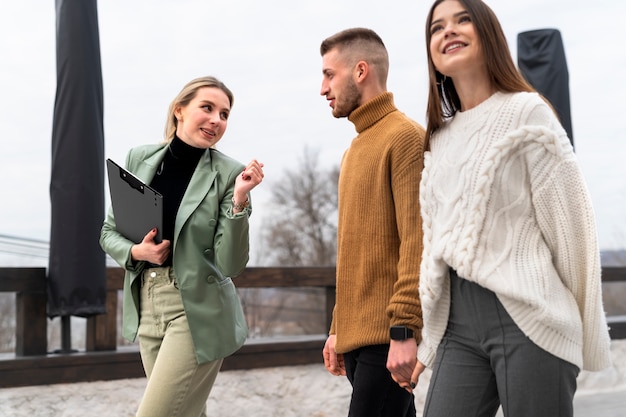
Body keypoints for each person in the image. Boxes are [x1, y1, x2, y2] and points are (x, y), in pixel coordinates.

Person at [410, 1, 613, 416]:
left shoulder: (527, 112)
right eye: (437, 27)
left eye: (463, 20)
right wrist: (429, 340)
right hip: (458, 327)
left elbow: (573, 232)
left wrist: (587, 337)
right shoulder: (438, 138)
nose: (449, 31)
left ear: (488, 34)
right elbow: (435, 251)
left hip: (530, 320)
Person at [100, 76, 264, 417]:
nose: (217, 119)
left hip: (197, 312)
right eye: (207, 108)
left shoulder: (229, 173)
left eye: (224, 114)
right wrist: (136, 252)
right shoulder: (139, 158)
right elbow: (108, 232)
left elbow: (230, 264)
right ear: (179, 111)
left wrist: (239, 199)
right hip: (147, 306)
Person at [319, 27, 425, 416]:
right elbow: (353, 251)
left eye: (330, 74)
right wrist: (337, 329)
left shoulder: (406, 138)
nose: (322, 87)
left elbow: (418, 243)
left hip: (388, 338)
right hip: (358, 340)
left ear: (360, 71)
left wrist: (404, 332)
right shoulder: (354, 150)